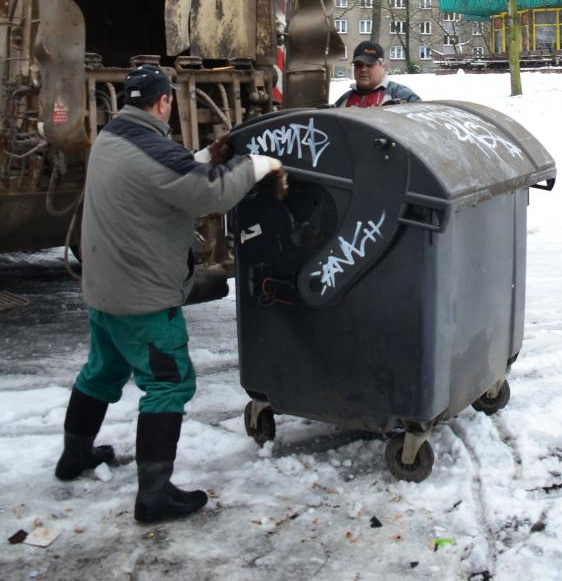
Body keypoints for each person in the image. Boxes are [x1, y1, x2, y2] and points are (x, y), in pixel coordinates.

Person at [55, 63, 287, 523]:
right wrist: (261, 164)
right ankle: (154, 496)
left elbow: (162, 174)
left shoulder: (111, 138)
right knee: (169, 383)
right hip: (143, 300)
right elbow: (215, 194)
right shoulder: (151, 151)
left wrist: (201, 157)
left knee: (101, 373)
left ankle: (74, 455)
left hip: (105, 290)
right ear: (163, 102)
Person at [334, 40, 421, 108]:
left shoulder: (402, 96)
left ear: (384, 66)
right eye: (358, 65)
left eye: (369, 65)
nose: (363, 69)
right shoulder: (344, 100)